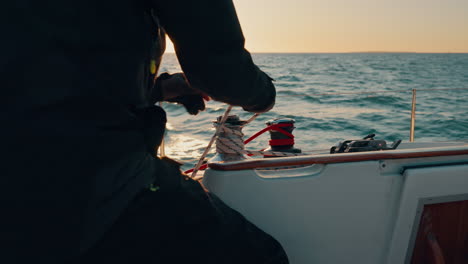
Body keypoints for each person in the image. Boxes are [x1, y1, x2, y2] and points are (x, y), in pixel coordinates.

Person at [0, 0, 287, 263]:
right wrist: (263, 96)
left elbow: (44, 74)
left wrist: (159, 89)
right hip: (86, 182)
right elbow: (220, 70)